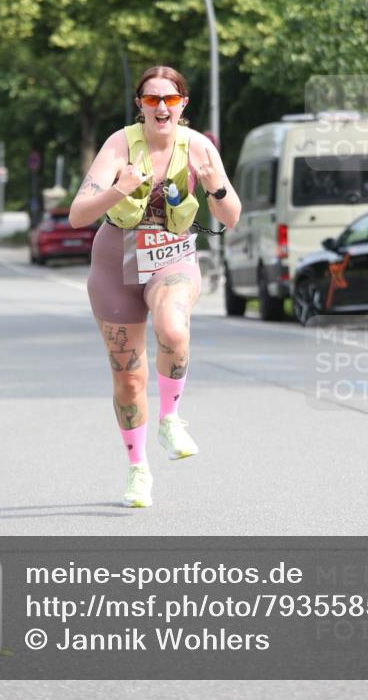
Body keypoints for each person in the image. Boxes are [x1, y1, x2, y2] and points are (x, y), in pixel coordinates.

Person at [69, 65, 241, 508]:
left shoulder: (199, 147)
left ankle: (170, 418)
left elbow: (231, 217)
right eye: (151, 100)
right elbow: (78, 215)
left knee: (174, 330)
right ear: (140, 106)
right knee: (128, 378)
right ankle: (138, 468)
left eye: (169, 99)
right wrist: (118, 188)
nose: (160, 107)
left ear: (183, 104)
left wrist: (214, 188)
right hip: (116, 261)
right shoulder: (119, 145)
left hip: (172, 256)